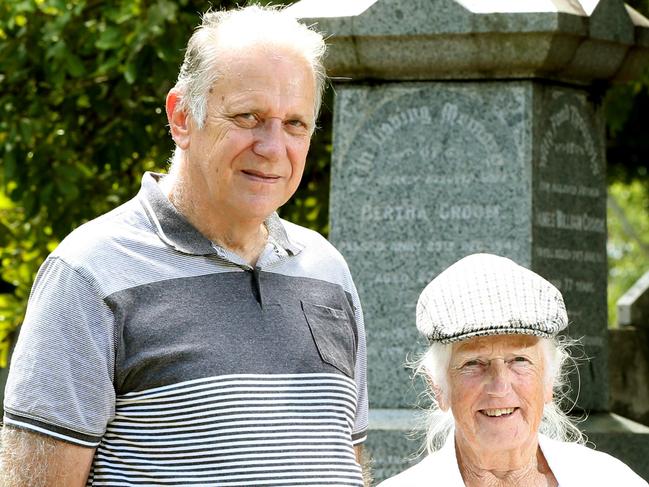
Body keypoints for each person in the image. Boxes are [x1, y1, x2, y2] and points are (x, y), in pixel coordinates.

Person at [1, 6, 368, 486]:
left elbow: (348, 458)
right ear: (181, 117)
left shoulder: (327, 270)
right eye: (248, 117)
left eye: (295, 123)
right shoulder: (90, 273)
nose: (273, 146)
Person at [379, 253, 647, 487]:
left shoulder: (610, 480)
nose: (500, 387)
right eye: (473, 363)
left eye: (519, 360)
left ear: (549, 380)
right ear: (437, 387)